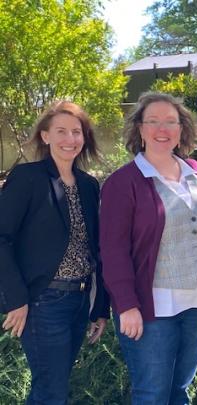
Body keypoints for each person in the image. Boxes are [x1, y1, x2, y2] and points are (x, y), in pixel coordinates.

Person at [99, 92, 197, 404]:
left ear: (182, 129)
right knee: (151, 394)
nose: (162, 129)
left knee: (179, 390)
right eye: (152, 121)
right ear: (139, 129)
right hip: (150, 307)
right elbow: (113, 251)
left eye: (170, 121)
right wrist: (126, 305)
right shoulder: (123, 183)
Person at [0, 101, 109, 404]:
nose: (70, 139)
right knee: (51, 392)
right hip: (42, 302)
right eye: (61, 131)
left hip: (79, 299)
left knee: (54, 388)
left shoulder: (88, 185)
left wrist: (100, 306)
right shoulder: (28, 178)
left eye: (76, 132)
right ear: (45, 136)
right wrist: (16, 299)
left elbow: (95, 248)